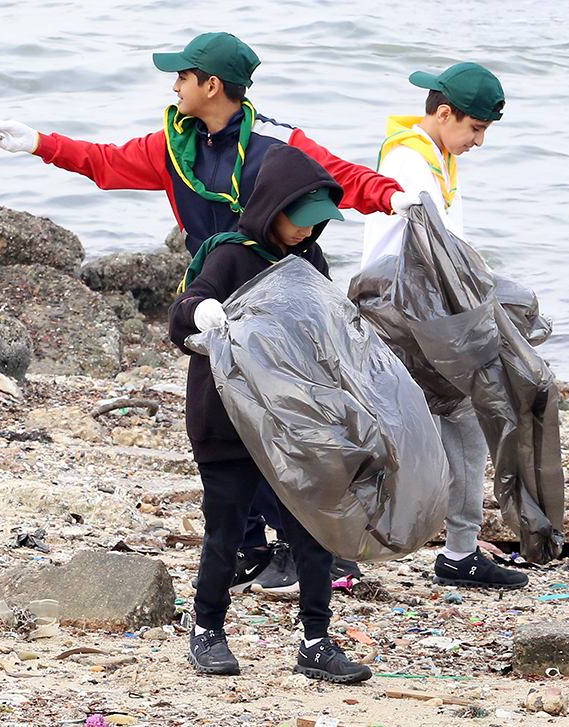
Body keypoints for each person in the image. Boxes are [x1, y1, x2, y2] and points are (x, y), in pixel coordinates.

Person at [0, 31, 411, 595]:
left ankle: (325, 554)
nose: (175, 84)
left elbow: (338, 179)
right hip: (214, 293)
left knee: (285, 423)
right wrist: (39, 141)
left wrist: (393, 196)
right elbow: (104, 164)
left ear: (213, 85)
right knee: (226, 422)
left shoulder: (275, 143)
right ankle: (251, 548)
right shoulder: (174, 145)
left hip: (284, 294)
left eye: (183, 76)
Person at [168, 143, 372, 683]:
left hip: (291, 422)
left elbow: (323, 331)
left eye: (315, 224)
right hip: (228, 420)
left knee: (312, 532)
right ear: (269, 206)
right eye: (297, 220)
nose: (307, 232)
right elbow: (181, 316)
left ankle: (316, 641)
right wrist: (201, 313)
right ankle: (207, 629)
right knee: (227, 529)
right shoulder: (230, 254)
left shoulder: (309, 262)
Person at [361, 62, 529, 590]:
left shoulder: (437, 156)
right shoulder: (409, 161)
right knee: (410, 436)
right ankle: (348, 547)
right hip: (406, 315)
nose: (479, 141)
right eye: (475, 129)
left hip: (436, 312)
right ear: (443, 113)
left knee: (464, 425)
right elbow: (427, 253)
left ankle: (460, 552)